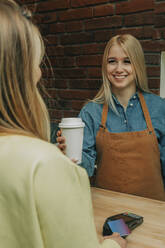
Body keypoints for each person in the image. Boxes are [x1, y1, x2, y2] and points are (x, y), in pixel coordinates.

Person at [0, 1, 127, 248]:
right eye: (37, 63)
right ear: (22, 73)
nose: (39, 73)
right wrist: (113, 244)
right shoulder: (44, 164)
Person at [58, 34, 165, 201]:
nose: (118, 68)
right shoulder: (91, 112)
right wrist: (69, 155)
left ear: (138, 65)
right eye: (112, 61)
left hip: (155, 210)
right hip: (108, 208)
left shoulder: (159, 107)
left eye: (127, 61)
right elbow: (85, 168)